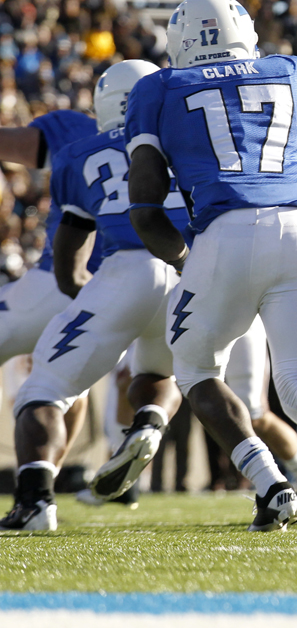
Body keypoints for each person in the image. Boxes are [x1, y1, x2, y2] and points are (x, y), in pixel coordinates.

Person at [121, 0, 297, 532]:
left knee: (194, 368)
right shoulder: (290, 70)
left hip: (224, 232)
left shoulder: (159, 87)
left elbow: (145, 210)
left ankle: (270, 486)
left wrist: (188, 260)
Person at [1, 60, 190, 531]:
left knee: (44, 386)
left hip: (86, 276)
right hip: (177, 273)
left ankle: (37, 496)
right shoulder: (189, 140)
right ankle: (149, 425)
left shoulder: (77, 139)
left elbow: (67, 249)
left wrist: (76, 290)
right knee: (162, 373)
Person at [0, 107, 98, 468]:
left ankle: (36, 489)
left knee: (44, 391)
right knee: (70, 384)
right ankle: (46, 479)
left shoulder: (78, 130)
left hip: (59, 278)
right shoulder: (181, 132)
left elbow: (12, 145)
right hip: (127, 284)